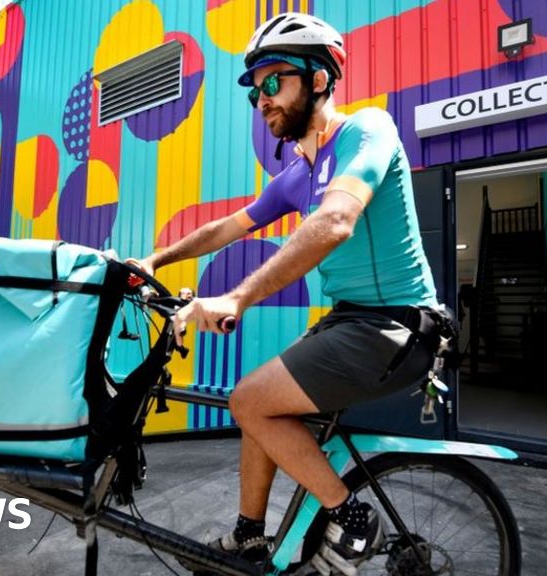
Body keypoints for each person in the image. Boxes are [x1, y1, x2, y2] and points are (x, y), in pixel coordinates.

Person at [129, 12, 440, 575]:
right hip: (351, 322)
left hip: (394, 326)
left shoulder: (368, 130)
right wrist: (153, 260)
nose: (262, 100)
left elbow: (338, 220)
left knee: (248, 399)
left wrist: (236, 298)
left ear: (319, 79)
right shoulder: (299, 172)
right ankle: (249, 539)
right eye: (255, 92)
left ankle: (351, 517)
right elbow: (226, 227)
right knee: (258, 404)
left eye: (273, 82)